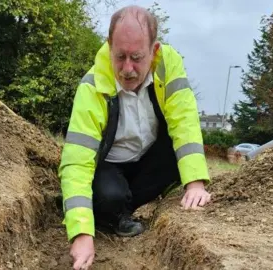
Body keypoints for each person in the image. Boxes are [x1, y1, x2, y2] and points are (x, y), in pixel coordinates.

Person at [58, 5, 211, 269]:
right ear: (109, 46)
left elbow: (184, 122)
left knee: (178, 160)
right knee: (109, 197)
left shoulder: (168, 66)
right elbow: (77, 160)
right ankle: (112, 212)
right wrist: (82, 232)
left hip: (148, 157)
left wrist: (195, 183)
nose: (127, 68)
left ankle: (125, 203)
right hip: (109, 165)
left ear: (154, 50)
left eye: (137, 58)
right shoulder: (92, 85)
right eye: (120, 56)